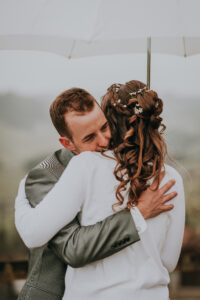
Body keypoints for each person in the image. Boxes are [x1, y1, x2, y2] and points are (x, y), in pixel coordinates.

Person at [15, 83, 182, 300]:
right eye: (89, 138)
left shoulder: (154, 174)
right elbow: (72, 249)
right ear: (67, 143)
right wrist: (138, 213)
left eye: (105, 127)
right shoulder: (46, 175)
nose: (104, 141)